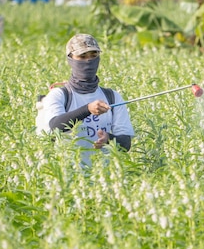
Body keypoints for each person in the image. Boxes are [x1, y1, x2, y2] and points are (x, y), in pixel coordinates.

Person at [35, 34, 134, 165]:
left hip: (104, 176)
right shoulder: (59, 95)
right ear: (70, 60)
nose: (88, 61)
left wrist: (109, 139)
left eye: (93, 55)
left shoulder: (112, 96)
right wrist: (87, 109)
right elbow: (56, 126)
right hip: (68, 175)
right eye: (82, 56)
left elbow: (126, 143)